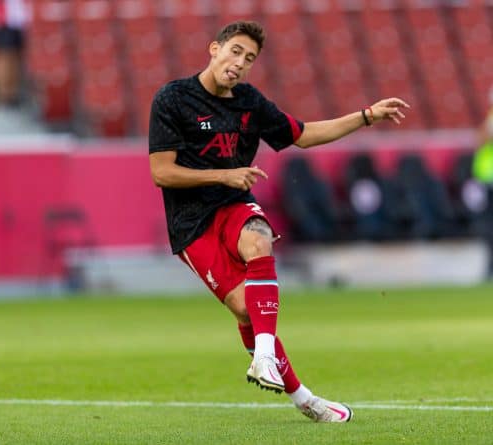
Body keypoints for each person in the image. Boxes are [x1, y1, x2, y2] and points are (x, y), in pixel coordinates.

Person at [148, 21, 409, 422]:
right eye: (234, 51)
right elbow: (162, 173)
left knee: (259, 236)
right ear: (213, 49)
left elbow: (303, 135)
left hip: (234, 204)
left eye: (249, 58)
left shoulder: (249, 103)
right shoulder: (173, 99)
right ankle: (305, 399)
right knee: (246, 311)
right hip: (191, 223)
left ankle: (264, 357)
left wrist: (367, 115)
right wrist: (224, 174)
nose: (239, 63)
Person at [0, 0, 28, 106]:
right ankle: (3, 93)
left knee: (15, 58)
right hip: (4, 21)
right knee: (5, 57)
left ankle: (12, 92)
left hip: (18, 21)